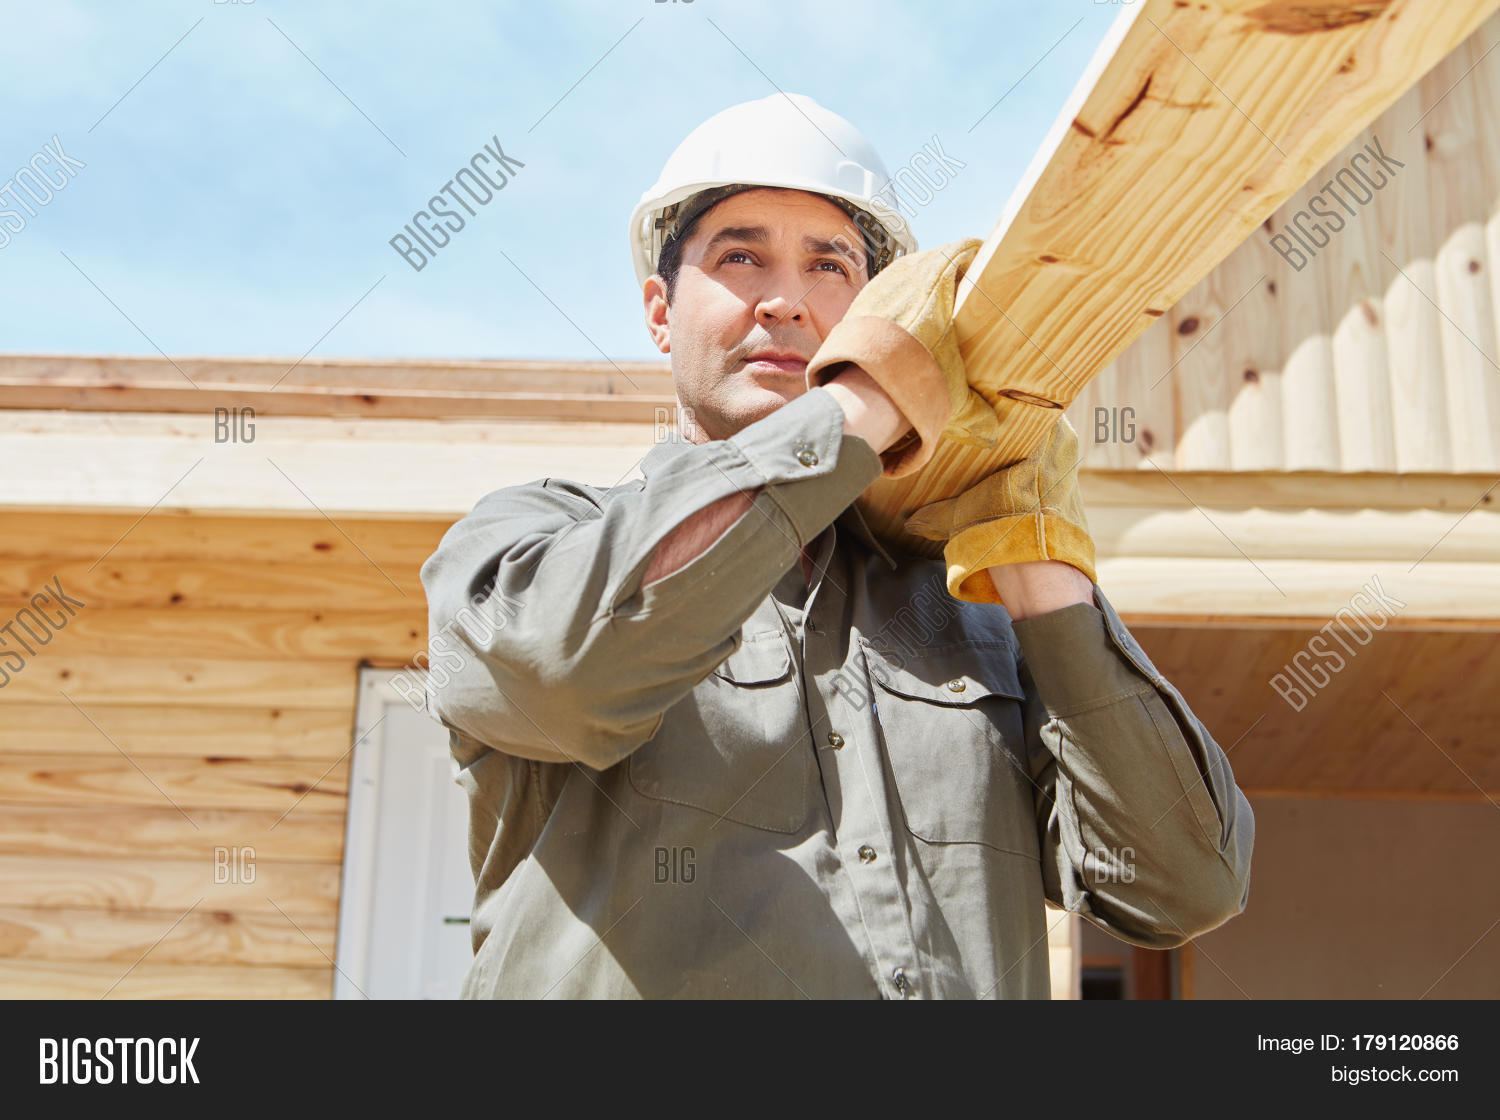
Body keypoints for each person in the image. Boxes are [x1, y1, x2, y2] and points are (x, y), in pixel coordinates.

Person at [419, 93, 1254, 999]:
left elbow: (1180, 888)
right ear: (660, 310)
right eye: (741, 256)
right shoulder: (532, 541)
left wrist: (1036, 556)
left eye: (832, 267)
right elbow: (564, 673)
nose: (785, 299)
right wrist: (872, 399)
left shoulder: (971, 605)